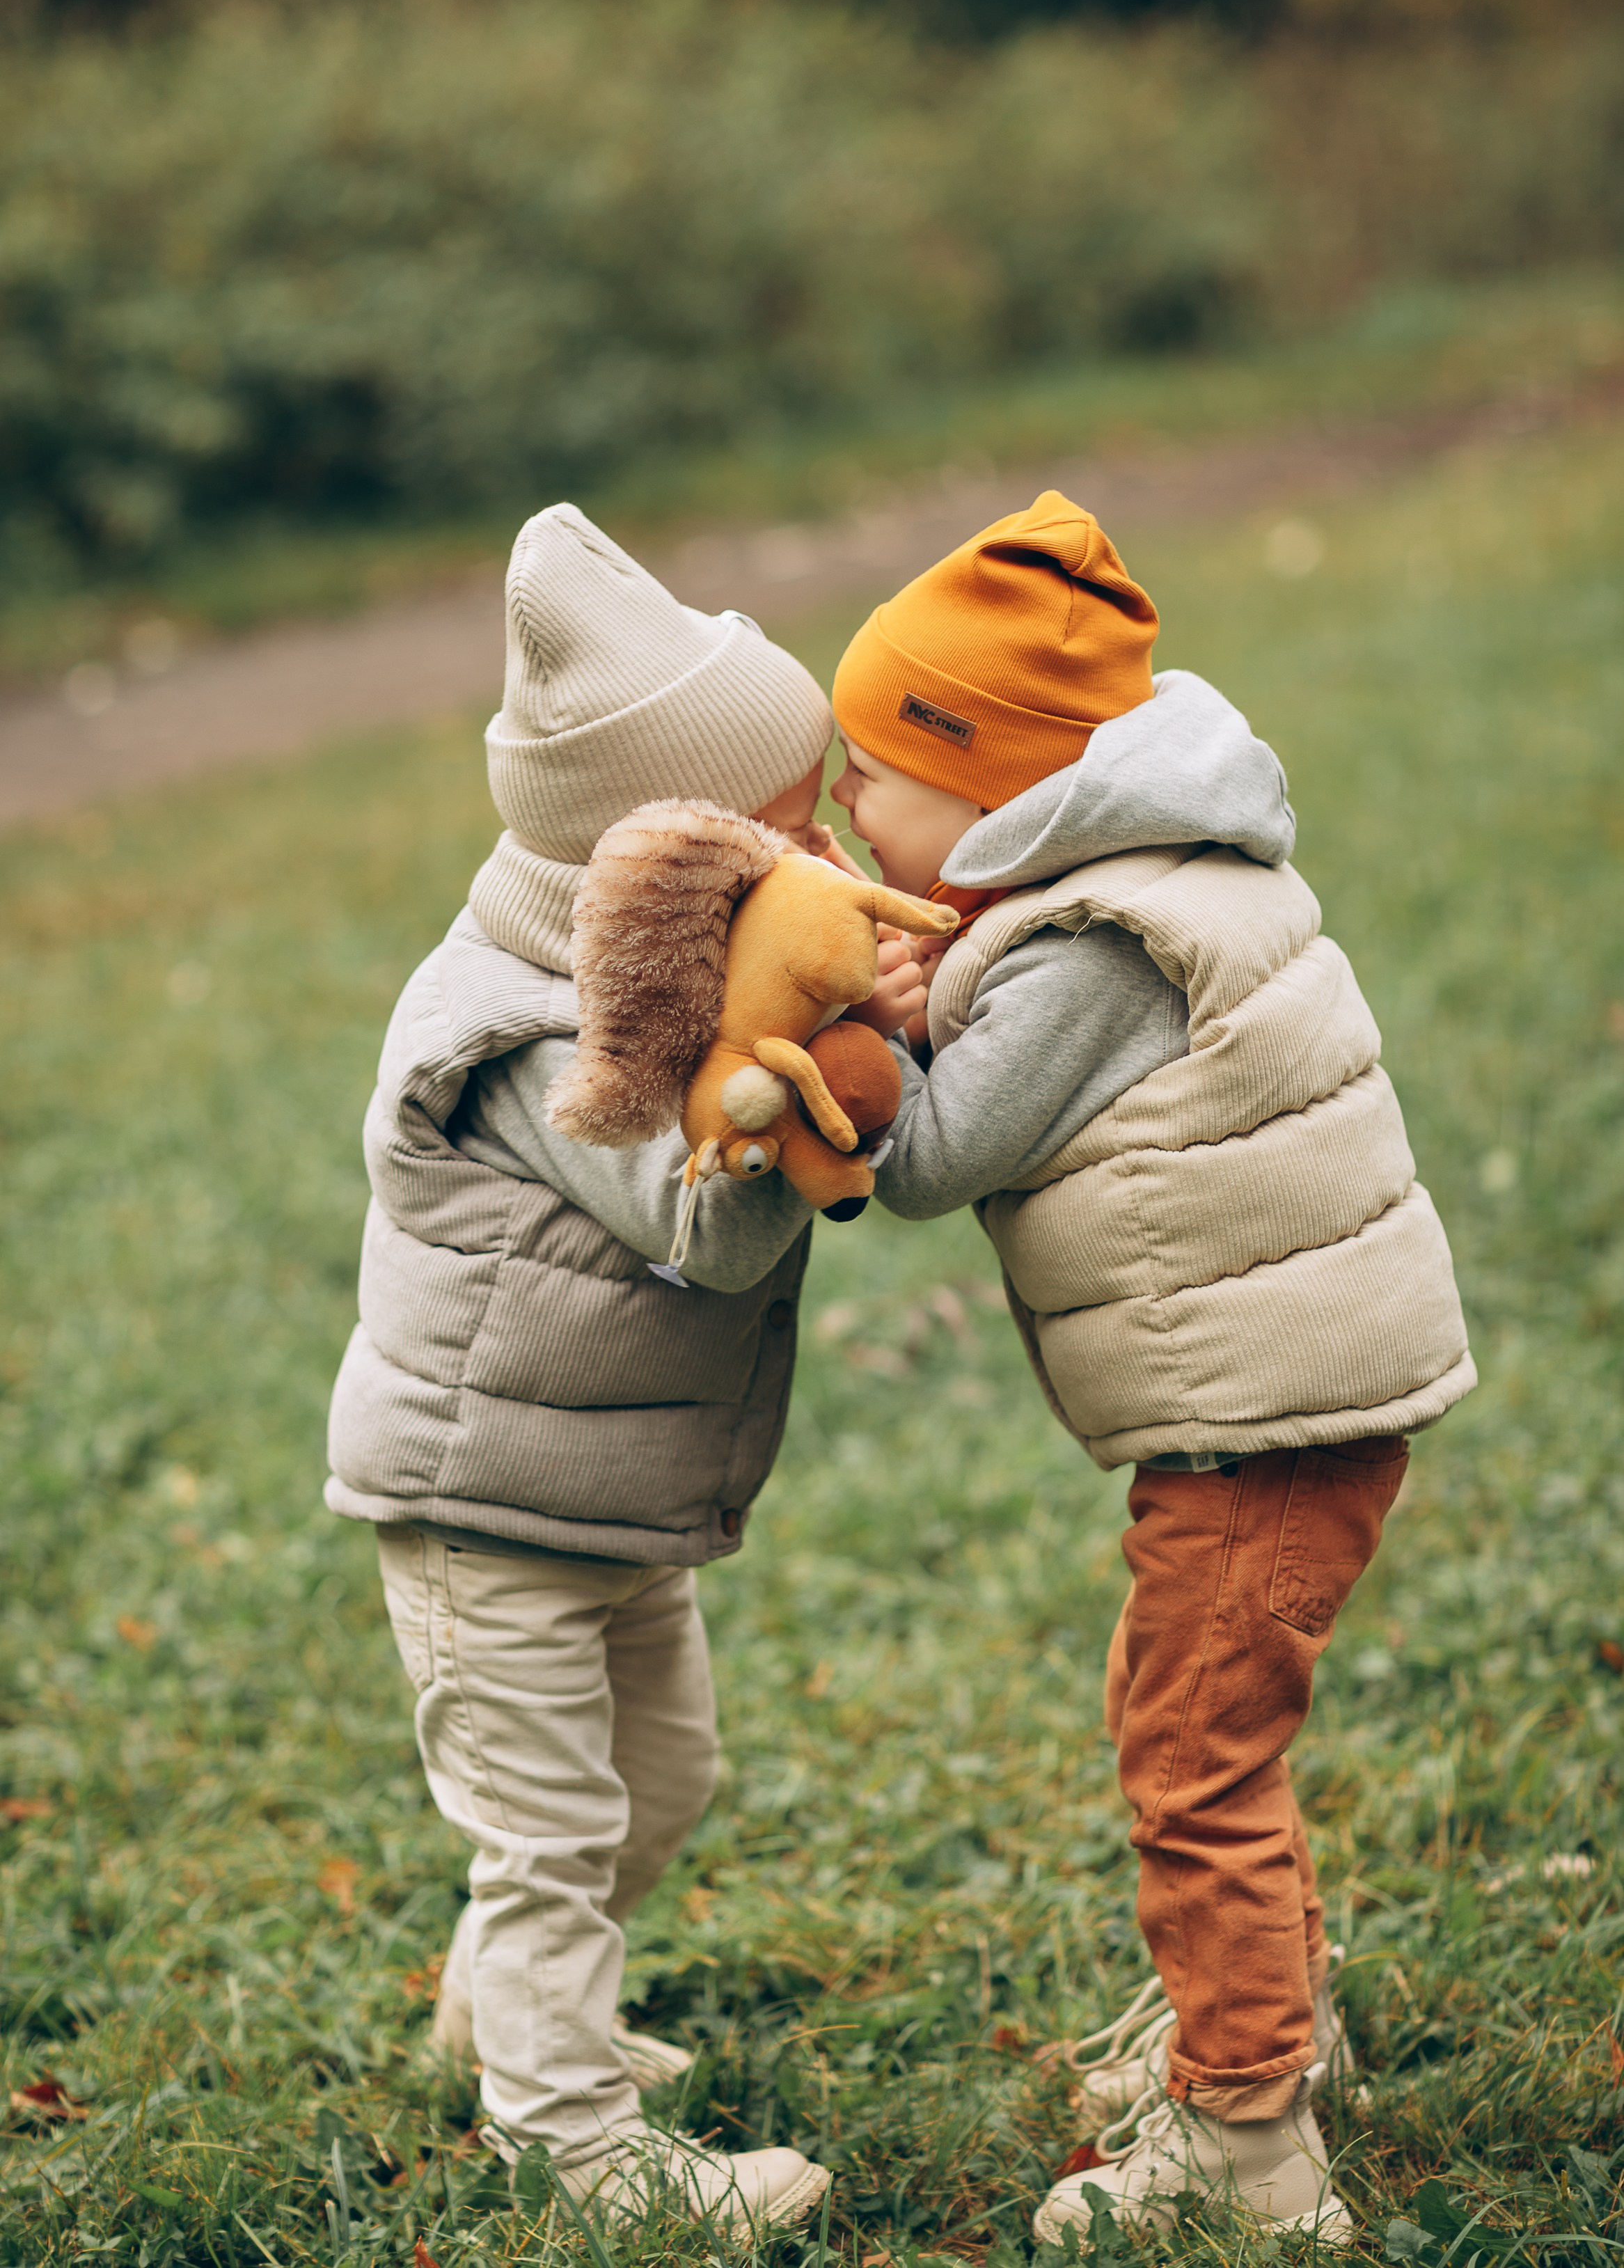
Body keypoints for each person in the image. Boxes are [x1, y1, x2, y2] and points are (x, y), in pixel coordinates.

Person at [827, 491, 1475, 2246]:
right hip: (1290, 1396)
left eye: (868, 769)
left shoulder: (1093, 945)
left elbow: (937, 1151)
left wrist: (854, 1039)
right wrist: (940, 979)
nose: (842, 807)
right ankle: (1255, 2025)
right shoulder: (1146, 881)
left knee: (1195, 1757)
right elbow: (1005, 1031)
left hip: (1267, 1418)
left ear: (995, 790)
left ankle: (1251, 2147)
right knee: (1193, 1720)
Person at [324, 503, 917, 2228]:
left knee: (664, 1782)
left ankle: (505, 2018)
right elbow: (710, 1229)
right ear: (656, 857)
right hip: (480, 1506)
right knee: (554, 1835)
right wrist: (806, 1045)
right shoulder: (518, 1039)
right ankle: (573, 2144)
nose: (821, 847)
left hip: (599, 1493)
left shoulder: (664, 983)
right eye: (787, 824)